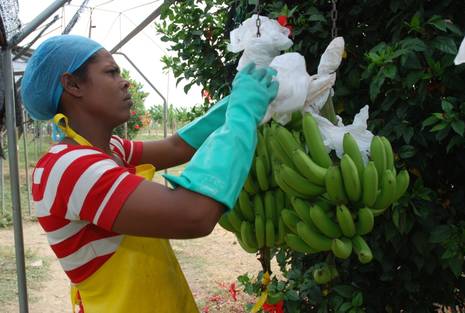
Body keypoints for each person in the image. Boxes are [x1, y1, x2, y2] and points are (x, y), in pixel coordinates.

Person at [20, 34, 278, 313]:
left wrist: (236, 100)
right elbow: (193, 215)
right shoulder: (69, 168)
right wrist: (243, 113)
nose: (125, 81)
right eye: (111, 72)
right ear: (72, 85)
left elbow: (176, 146)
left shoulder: (110, 150)